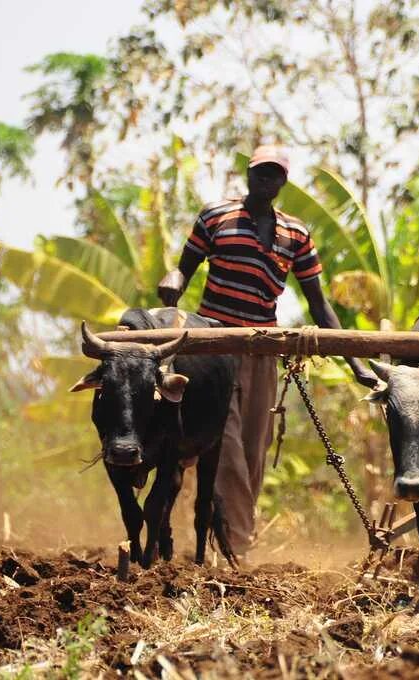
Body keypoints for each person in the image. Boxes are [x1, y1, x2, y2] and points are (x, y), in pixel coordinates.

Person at [157, 144, 377, 558]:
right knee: (225, 448)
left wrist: (355, 361)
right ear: (248, 174)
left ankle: (224, 542)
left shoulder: (296, 234)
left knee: (253, 452)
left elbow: (319, 303)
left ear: (282, 182)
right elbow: (182, 269)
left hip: (261, 350)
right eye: (259, 172)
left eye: (273, 174)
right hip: (212, 346)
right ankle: (238, 546)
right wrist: (171, 282)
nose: (265, 180)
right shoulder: (216, 215)